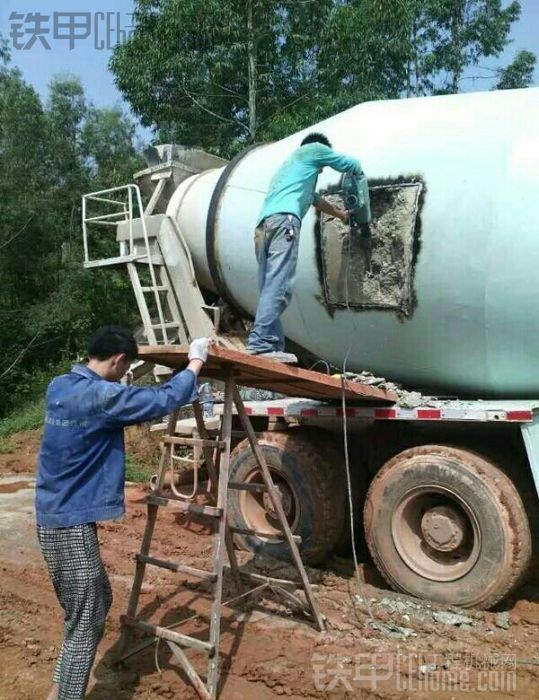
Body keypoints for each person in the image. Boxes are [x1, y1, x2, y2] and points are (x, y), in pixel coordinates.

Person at [35, 326, 211, 700]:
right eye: (124, 367)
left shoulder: (60, 386)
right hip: (69, 521)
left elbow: (101, 399)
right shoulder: (103, 397)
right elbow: (162, 399)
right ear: (118, 361)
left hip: (56, 513)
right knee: (86, 618)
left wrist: (120, 384)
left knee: (96, 600)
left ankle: (62, 684)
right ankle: (65, 694)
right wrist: (195, 362)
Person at [246, 132, 364, 362]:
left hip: (263, 227)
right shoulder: (314, 150)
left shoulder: (291, 170)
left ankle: (271, 345)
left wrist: (340, 215)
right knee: (280, 286)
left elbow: (315, 199)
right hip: (285, 223)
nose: (321, 171)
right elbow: (352, 164)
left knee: (269, 288)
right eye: (320, 167)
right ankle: (260, 343)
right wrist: (359, 181)